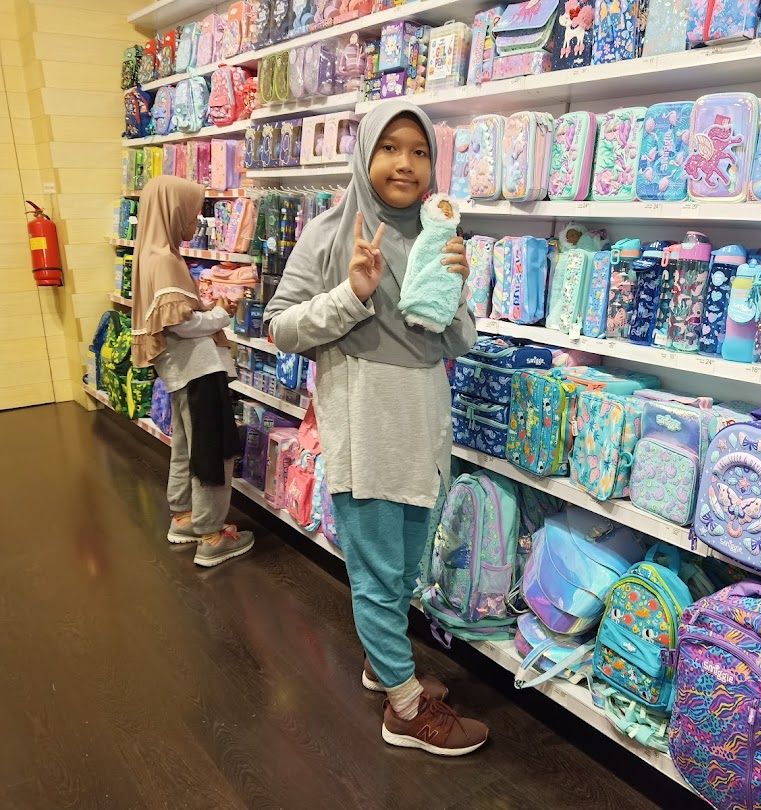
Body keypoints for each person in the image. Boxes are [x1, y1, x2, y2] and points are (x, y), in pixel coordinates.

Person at [264, 100, 485, 756]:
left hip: (423, 425)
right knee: (379, 571)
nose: (405, 163)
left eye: (419, 151)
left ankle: (381, 664)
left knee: (406, 565)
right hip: (366, 427)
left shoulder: (437, 235)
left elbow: (462, 341)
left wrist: (454, 292)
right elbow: (279, 327)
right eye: (390, 147)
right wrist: (353, 293)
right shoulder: (330, 234)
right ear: (365, 154)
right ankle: (405, 709)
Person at [131, 175, 253, 568]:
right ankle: (212, 536)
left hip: (179, 372)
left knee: (186, 447)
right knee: (212, 452)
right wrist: (220, 313)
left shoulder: (149, 254)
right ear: (173, 211)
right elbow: (180, 324)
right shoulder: (166, 261)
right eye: (192, 212)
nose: (197, 220)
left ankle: (183, 516)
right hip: (198, 370)